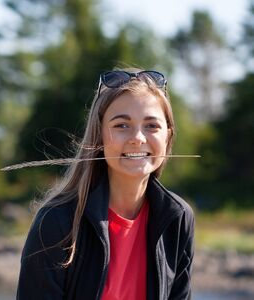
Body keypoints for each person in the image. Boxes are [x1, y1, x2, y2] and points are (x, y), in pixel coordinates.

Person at [16, 68, 195, 300]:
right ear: (99, 136)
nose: (138, 138)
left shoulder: (178, 218)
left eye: (152, 126)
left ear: (168, 137)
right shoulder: (57, 221)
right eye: (121, 125)